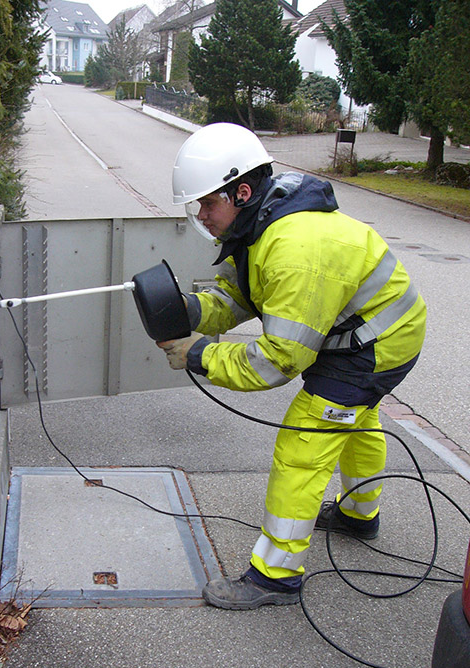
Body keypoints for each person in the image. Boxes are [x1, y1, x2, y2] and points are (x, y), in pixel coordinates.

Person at [157, 122, 426, 611]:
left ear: (241, 191)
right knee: (357, 420)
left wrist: (199, 355)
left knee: (305, 442)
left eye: (207, 203)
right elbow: (242, 296)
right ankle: (360, 516)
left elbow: (277, 362)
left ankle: (275, 577)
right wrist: (192, 311)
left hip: (375, 347)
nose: (202, 215)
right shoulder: (262, 224)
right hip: (374, 331)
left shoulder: (293, 249)